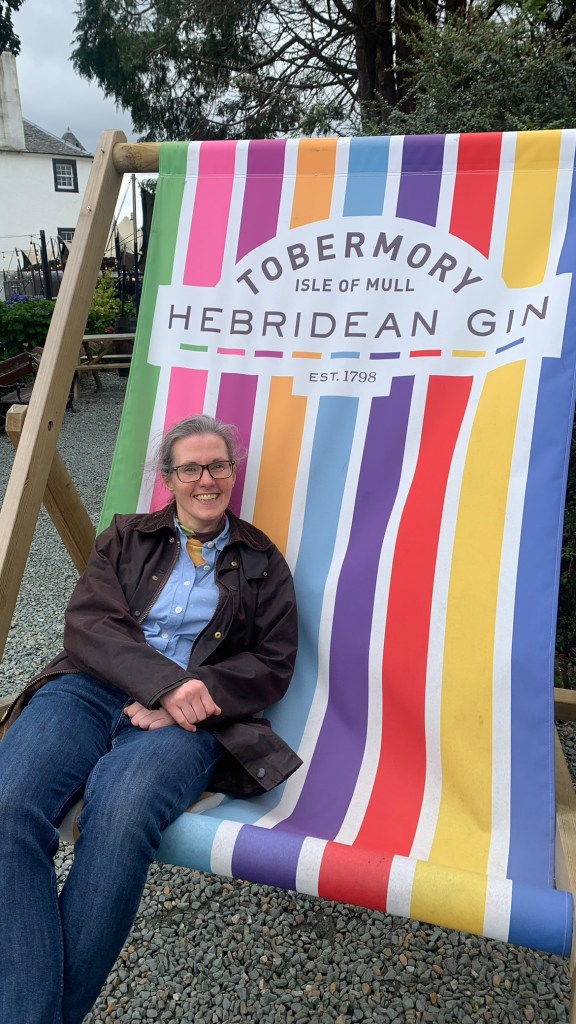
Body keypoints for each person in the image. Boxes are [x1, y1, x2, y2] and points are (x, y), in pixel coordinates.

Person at [0, 414, 300, 1024]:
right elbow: (88, 624)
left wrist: (190, 694)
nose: (206, 479)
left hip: (192, 721)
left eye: (218, 465)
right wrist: (162, 684)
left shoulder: (262, 560)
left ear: (233, 473)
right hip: (89, 689)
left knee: (120, 814)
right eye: (190, 467)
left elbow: (272, 662)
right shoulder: (124, 537)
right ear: (169, 478)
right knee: (7, 806)